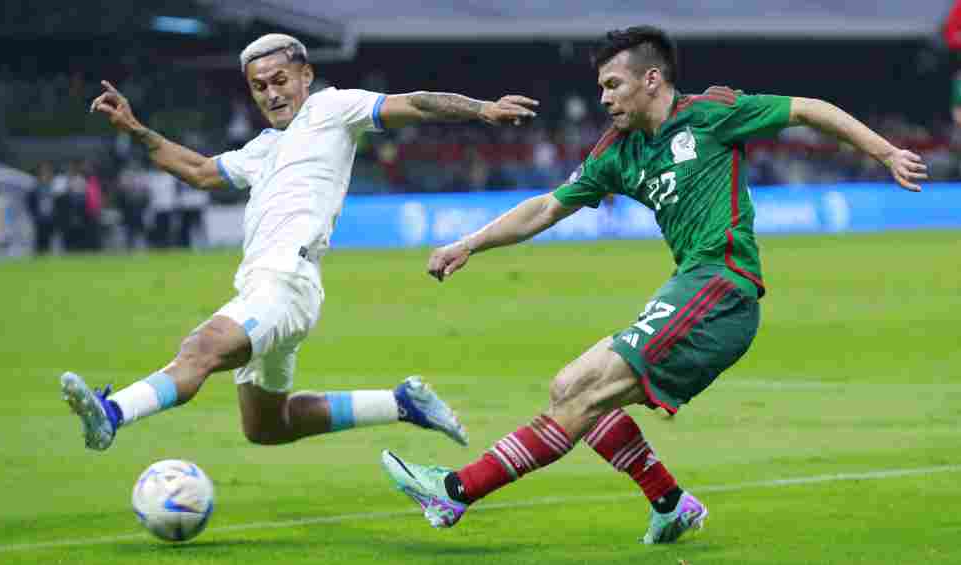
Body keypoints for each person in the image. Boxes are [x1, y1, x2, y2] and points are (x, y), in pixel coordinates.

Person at [380, 25, 927, 544]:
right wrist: (468, 243)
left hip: (723, 286)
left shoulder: (712, 115)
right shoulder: (616, 151)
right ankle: (669, 503)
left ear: (651, 80)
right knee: (568, 388)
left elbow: (807, 109)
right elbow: (547, 207)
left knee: (588, 394)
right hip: (694, 288)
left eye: (612, 84)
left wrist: (884, 153)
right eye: (600, 88)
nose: (604, 99)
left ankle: (456, 492)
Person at [60, 34, 538, 456]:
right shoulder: (263, 149)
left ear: (305, 75)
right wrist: (135, 129)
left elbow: (414, 103)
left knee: (201, 348)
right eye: (259, 86)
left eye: (280, 79)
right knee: (268, 427)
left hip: (285, 283)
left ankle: (114, 413)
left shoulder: (330, 109)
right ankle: (400, 403)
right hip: (266, 287)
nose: (271, 93)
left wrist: (482, 109)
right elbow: (201, 172)